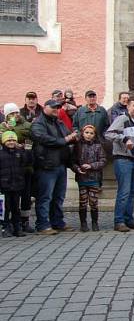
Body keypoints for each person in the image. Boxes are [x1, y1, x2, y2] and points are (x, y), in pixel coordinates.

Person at [31, 99, 79, 234]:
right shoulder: (38, 123)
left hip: (61, 164)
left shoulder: (59, 122)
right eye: (53, 107)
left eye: (58, 108)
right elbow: (44, 139)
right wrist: (65, 140)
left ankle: (57, 222)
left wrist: (74, 137)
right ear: (45, 107)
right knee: (45, 197)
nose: (56, 109)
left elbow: (67, 135)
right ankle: (42, 225)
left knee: (59, 197)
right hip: (46, 165)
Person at [105, 97, 134, 232]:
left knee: (132, 192)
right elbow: (109, 134)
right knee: (124, 191)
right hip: (123, 160)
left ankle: (129, 220)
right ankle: (119, 221)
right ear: (128, 107)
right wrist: (123, 138)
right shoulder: (122, 119)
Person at [1, 103, 34, 232]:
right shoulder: (2, 127)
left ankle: (24, 221)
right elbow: (4, 139)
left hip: (24, 167)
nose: (16, 115)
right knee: (8, 200)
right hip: (7, 169)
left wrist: (21, 144)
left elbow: (32, 138)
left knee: (26, 196)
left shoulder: (27, 125)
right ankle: (8, 224)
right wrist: (10, 135)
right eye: (12, 114)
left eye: (17, 113)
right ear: (7, 115)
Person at [71, 124, 106, 231]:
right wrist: (77, 169)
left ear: (94, 135)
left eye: (91, 133)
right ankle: (83, 223)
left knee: (94, 202)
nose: (89, 135)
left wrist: (91, 166)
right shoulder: (77, 146)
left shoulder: (98, 146)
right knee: (83, 202)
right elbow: (73, 162)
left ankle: (95, 222)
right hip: (82, 178)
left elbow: (103, 160)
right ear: (82, 133)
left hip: (94, 178)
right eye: (87, 133)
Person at [0, 131, 32, 237]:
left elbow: (27, 162)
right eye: (8, 140)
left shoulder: (19, 153)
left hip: (17, 185)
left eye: (13, 140)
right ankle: (5, 227)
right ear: (4, 141)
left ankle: (17, 227)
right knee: (5, 208)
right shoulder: (1, 154)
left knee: (15, 208)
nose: (11, 142)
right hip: (4, 186)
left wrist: (27, 151)